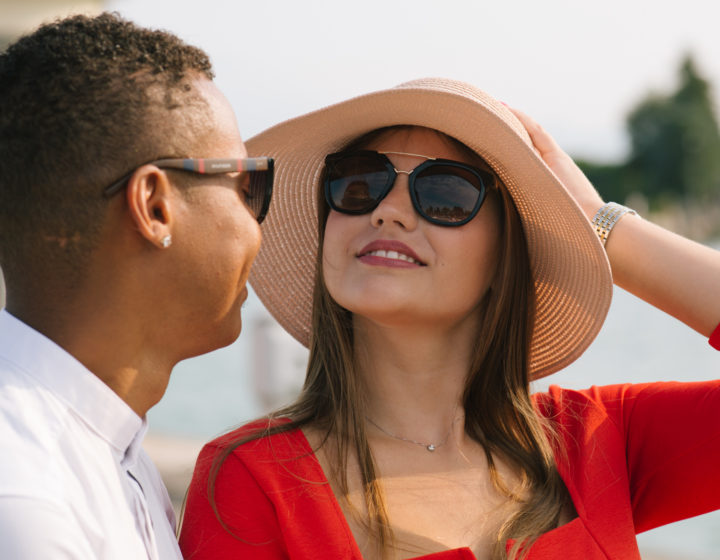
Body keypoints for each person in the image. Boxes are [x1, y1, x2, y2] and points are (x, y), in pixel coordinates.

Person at [179, 79, 720, 560]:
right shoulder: (253, 479)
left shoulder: (598, 441)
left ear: (505, 253)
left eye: (444, 192)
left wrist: (602, 228)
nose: (386, 210)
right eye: (359, 182)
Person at [0, 13, 273, 560]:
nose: (257, 224)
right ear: (155, 206)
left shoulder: (109, 449)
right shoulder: (28, 499)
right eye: (247, 185)